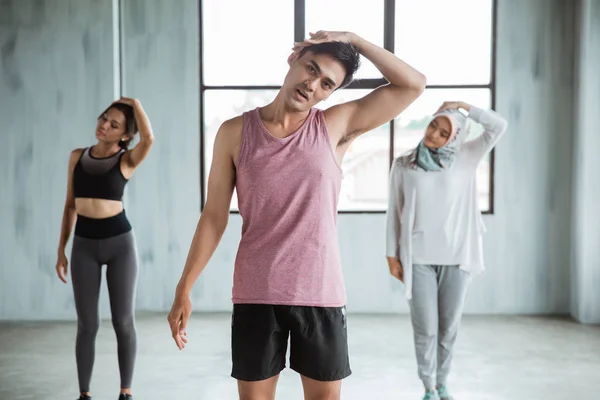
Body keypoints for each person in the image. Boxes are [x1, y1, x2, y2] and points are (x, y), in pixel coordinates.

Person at [167, 30, 426, 400]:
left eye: (326, 84)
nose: (312, 85)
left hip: (320, 292)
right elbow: (213, 216)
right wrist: (184, 287)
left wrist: (357, 41)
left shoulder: (336, 126)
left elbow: (413, 85)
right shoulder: (234, 133)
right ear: (295, 58)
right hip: (257, 291)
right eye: (311, 69)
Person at [386, 101, 508, 400]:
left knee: (448, 329)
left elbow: (498, 126)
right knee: (425, 329)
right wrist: (392, 253)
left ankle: (442, 382)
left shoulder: (467, 155)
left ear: (455, 137)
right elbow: (394, 211)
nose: (435, 135)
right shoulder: (405, 163)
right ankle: (428, 386)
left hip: (457, 259)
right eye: (433, 126)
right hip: (419, 260)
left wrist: (464, 107)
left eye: (444, 133)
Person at [55, 97, 154, 400]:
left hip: (119, 244)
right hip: (83, 245)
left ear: (125, 135)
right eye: (103, 118)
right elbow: (70, 205)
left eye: (114, 124)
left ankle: (125, 392)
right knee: (87, 324)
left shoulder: (126, 160)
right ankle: (84, 394)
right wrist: (62, 249)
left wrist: (135, 104)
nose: (104, 125)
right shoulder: (77, 156)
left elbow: (149, 138)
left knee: (123, 321)